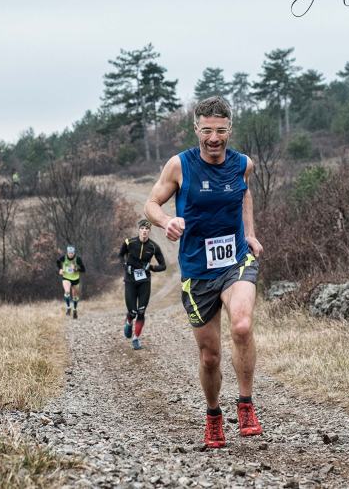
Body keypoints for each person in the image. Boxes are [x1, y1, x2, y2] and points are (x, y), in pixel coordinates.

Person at [144, 96, 264, 449]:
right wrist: (166, 221)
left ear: (230, 130)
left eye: (221, 131)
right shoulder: (179, 166)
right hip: (198, 271)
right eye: (207, 130)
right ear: (196, 129)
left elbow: (244, 194)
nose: (214, 138)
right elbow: (151, 203)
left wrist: (250, 233)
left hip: (236, 261)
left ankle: (245, 405)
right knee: (210, 357)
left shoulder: (243, 164)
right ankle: (213, 415)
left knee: (242, 325)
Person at [119, 219, 166, 350]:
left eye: (147, 229)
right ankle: (129, 320)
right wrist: (125, 266)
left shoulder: (154, 247)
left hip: (144, 282)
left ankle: (136, 338)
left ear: (149, 231)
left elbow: (163, 266)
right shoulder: (129, 242)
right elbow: (120, 256)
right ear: (139, 230)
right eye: (142, 229)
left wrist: (151, 267)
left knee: (141, 311)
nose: (144, 231)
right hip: (130, 281)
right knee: (133, 311)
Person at [56, 245, 85, 318]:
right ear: (67, 252)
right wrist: (60, 269)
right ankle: (68, 307)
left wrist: (76, 269)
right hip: (66, 277)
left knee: (75, 296)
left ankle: (75, 310)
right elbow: (58, 262)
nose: (71, 254)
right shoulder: (64, 258)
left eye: (72, 253)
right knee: (67, 291)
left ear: (74, 253)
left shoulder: (78, 259)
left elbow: (83, 269)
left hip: (75, 279)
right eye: (69, 253)